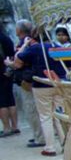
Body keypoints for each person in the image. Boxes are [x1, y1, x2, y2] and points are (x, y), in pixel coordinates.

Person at [12, 21, 66, 156]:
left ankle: (50, 147)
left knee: (46, 116)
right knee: (59, 114)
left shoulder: (34, 49)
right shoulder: (57, 46)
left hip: (41, 85)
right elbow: (70, 65)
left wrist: (24, 45)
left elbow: (17, 62)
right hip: (59, 83)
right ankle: (66, 143)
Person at [4, 20, 44, 148]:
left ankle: (40, 137)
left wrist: (9, 64)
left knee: (32, 109)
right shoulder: (32, 41)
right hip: (33, 79)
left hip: (28, 80)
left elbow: (18, 62)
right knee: (34, 109)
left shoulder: (26, 42)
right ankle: (38, 135)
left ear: (20, 30)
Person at [0, 28, 19, 137]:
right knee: (10, 99)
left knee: (2, 101)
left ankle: (6, 128)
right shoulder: (7, 38)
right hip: (8, 71)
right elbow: (13, 55)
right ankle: (15, 126)